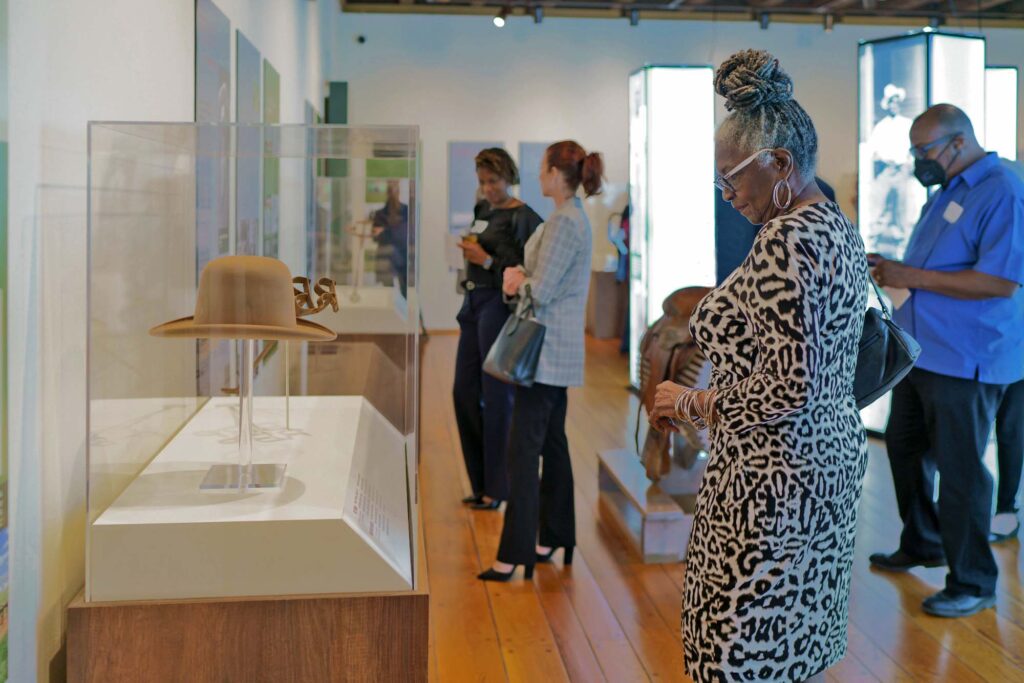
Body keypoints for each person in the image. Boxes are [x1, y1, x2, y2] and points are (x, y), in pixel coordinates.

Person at [649, 50, 869, 682]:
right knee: (789, 640)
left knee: (735, 647)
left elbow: (787, 385)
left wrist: (686, 401)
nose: (726, 192)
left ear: (779, 163)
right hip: (821, 462)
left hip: (769, 480)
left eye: (731, 176)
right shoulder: (829, 222)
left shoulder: (785, 240)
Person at [869, 104, 1024, 617]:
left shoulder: (1002, 189)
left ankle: (974, 581)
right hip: (923, 351)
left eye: (925, 151)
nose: (919, 161)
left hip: (968, 355)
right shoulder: (948, 191)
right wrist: (892, 269)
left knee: (961, 470)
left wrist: (908, 277)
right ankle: (924, 542)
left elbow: (999, 282)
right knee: (905, 446)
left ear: (958, 143)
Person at [477, 140, 603, 581]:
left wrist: (514, 281)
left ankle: (513, 555)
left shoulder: (566, 222)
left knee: (523, 450)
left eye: (543, 168)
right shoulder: (568, 218)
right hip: (554, 353)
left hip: (545, 354)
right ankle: (554, 535)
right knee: (551, 444)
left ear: (556, 174)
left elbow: (542, 290)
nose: (538, 174)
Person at [453, 149, 544, 510]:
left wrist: (487, 260)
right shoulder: (483, 210)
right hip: (472, 304)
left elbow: (526, 269)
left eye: (494, 181)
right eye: (482, 182)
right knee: (463, 393)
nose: (488, 189)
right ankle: (480, 482)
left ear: (509, 177)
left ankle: (498, 488)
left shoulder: (526, 218)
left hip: (498, 306)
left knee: (496, 398)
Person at [865, 83, 921, 259]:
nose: (893, 105)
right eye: (890, 101)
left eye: (896, 101)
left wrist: (907, 164)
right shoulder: (881, 127)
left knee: (904, 210)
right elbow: (873, 152)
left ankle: (905, 250)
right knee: (879, 208)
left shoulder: (907, 125)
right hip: (886, 170)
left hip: (903, 170)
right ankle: (870, 246)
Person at [371, 180, 410, 298]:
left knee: (405, 291)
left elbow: (406, 235)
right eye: (391, 190)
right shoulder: (380, 214)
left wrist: (386, 232)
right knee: (388, 292)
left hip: (403, 256)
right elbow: (376, 236)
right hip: (387, 256)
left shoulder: (406, 211)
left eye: (395, 189)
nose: (393, 193)